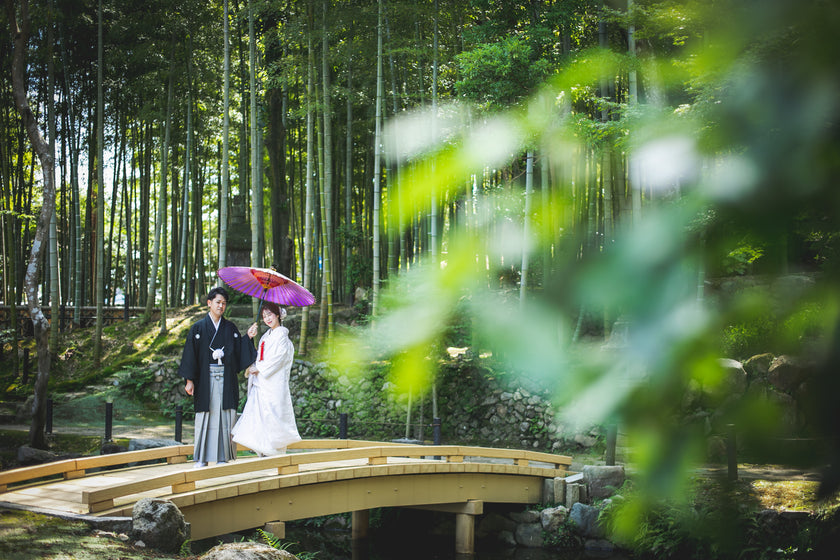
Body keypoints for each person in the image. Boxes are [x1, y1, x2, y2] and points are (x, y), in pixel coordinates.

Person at [179, 287, 258, 467]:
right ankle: (202, 458)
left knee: (225, 417)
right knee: (205, 416)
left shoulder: (230, 328)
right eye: (217, 302)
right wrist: (189, 380)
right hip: (205, 380)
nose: (221, 306)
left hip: (226, 379)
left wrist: (247, 337)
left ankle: (222, 457)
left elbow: (238, 352)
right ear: (209, 303)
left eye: (224, 303)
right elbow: (190, 355)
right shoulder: (198, 328)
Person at [232, 301, 301, 456]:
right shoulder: (265, 336)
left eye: (270, 314)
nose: (267, 319)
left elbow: (278, 359)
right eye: (264, 316)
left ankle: (275, 452)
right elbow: (260, 356)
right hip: (262, 382)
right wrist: (250, 338)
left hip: (274, 384)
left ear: (278, 315)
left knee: (273, 416)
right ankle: (262, 451)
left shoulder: (282, 336)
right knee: (259, 417)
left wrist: (260, 368)